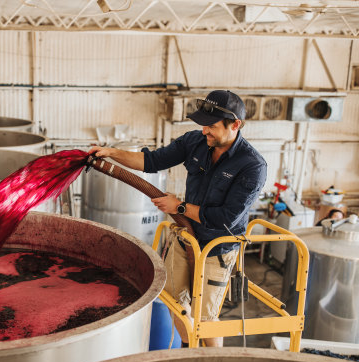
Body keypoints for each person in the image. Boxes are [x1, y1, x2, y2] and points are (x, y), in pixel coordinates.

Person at [90, 90, 267, 347]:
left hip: (217, 249)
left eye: (212, 126)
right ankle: (189, 353)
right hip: (186, 241)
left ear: (235, 125)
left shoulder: (252, 165)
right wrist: (111, 153)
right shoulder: (195, 142)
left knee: (206, 319)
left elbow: (226, 218)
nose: (205, 131)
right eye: (204, 125)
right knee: (176, 304)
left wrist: (180, 208)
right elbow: (150, 161)